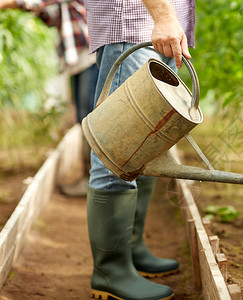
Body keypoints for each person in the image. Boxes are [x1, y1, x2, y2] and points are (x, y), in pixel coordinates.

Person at [83, 0, 195, 299]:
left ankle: (130, 250)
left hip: (155, 28)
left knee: (145, 147)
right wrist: (163, 15)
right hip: (134, 25)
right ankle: (111, 271)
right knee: (118, 151)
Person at [0, 0, 99, 197]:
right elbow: (47, 14)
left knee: (90, 117)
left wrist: (7, 3)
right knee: (83, 117)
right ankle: (92, 178)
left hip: (91, 57)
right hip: (79, 61)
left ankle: (96, 181)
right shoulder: (62, 7)